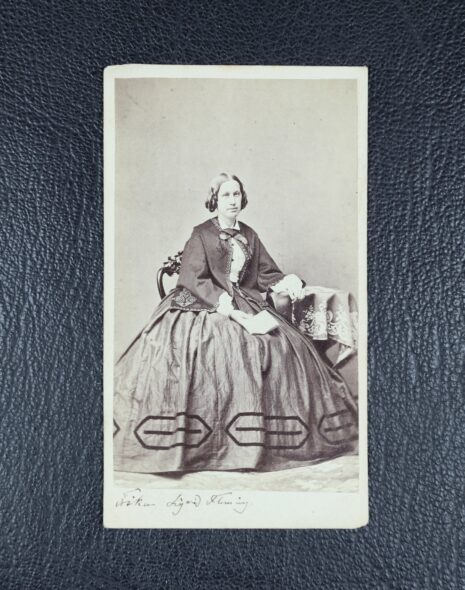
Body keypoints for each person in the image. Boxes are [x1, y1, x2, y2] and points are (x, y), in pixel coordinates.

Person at [113, 173, 358, 474]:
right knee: (220, 343)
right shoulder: (201, 234)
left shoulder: (249, 234)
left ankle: (266, 439)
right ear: (214, 200)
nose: (233, 200)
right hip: (203, 303)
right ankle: (211, 444)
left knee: (277, 344)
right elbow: (192, 278)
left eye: (237, 194)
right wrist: (227, 309)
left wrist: (285, 282)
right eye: (226, 195)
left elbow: (265, 273)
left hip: (244, 299)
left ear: (243, 198)